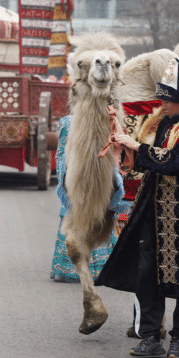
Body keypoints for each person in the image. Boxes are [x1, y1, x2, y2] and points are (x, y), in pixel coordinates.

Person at [97, 58, 179, 358]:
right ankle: (150, 336)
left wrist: (139, 147)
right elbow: (155, 161)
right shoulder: (168, 121)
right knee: (147, 275)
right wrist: (129, 151)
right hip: (154, 210)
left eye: (166, 99)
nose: (161, 104)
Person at [50, 114, 123, 282]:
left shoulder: (68, 122)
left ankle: (71, 268)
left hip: (81, 181)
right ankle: (101, 269)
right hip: (91, 181)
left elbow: (61, 157)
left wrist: (64, 183)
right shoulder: (111, 120)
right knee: (98, 215)